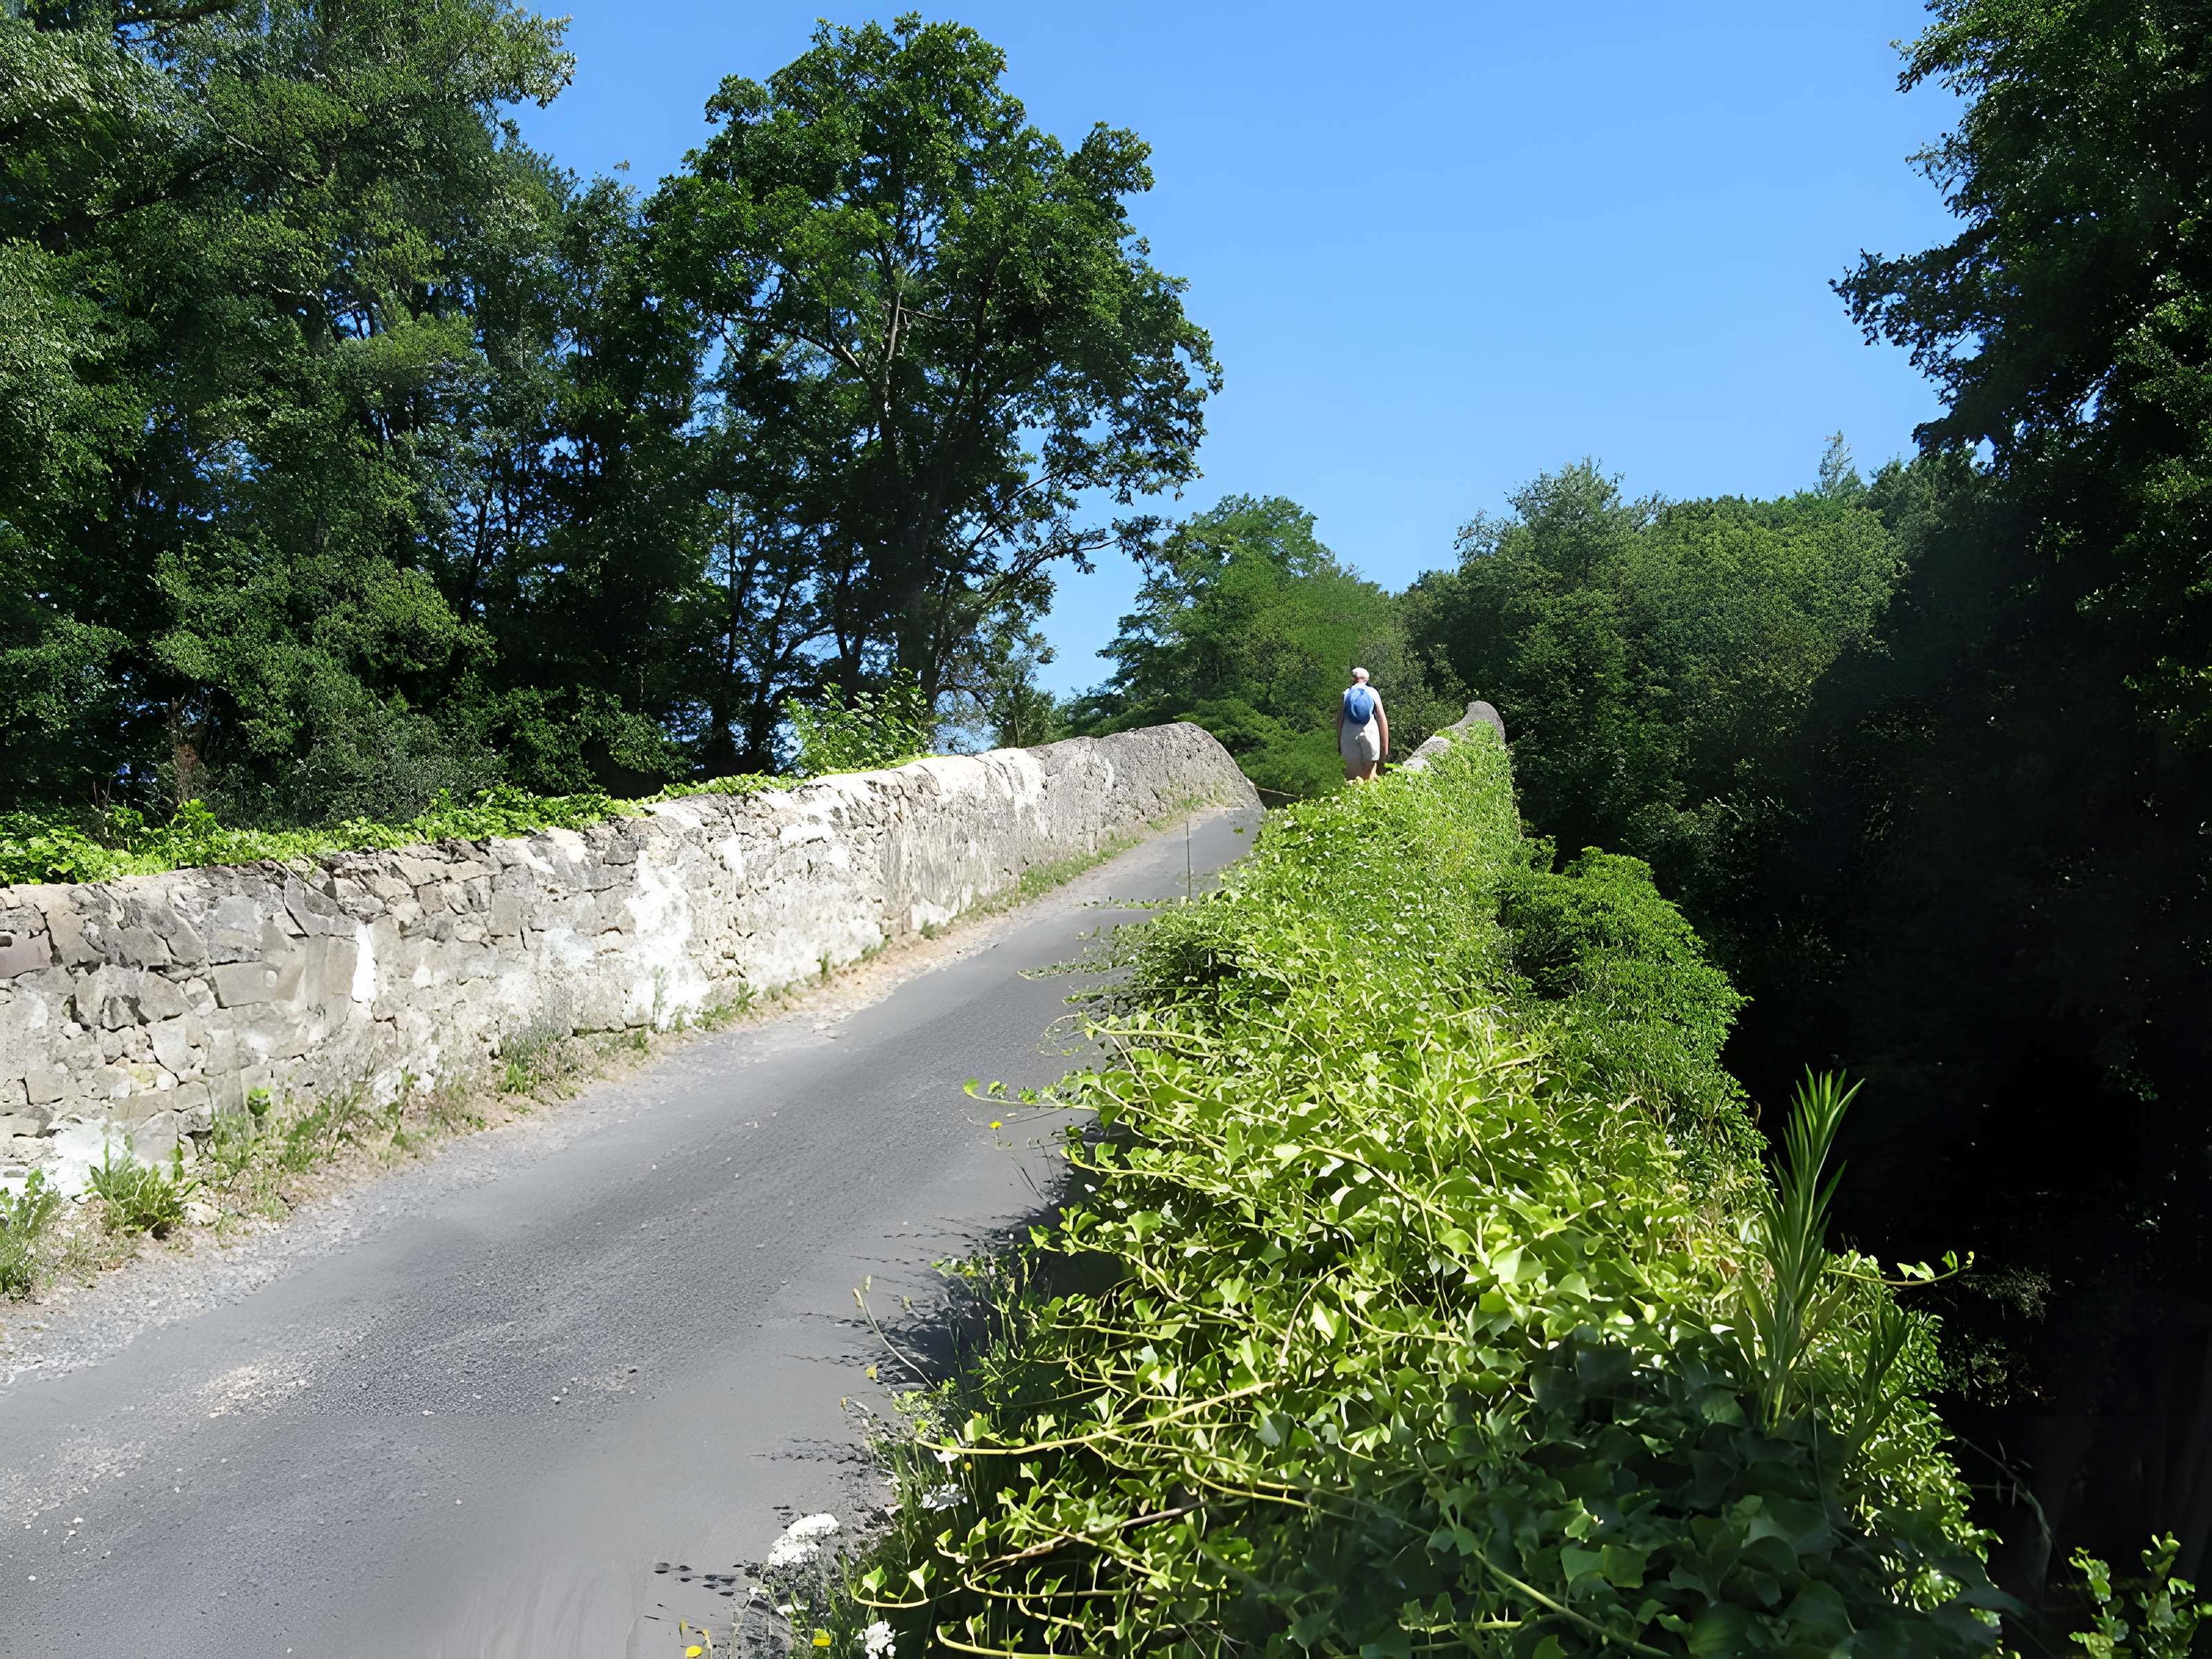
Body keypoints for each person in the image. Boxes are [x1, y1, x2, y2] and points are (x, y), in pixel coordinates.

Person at [1338, 666, 1389, 782]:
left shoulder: (1346, 694)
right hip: (1370, 735)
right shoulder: (1372, 693)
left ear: (1353, 679)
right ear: (1366, 679)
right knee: (1370, 778)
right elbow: (1382, 720)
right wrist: (1385, 749)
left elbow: (1339, 723)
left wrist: (1339, 745)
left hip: (1349, 738)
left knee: (1353, 780)